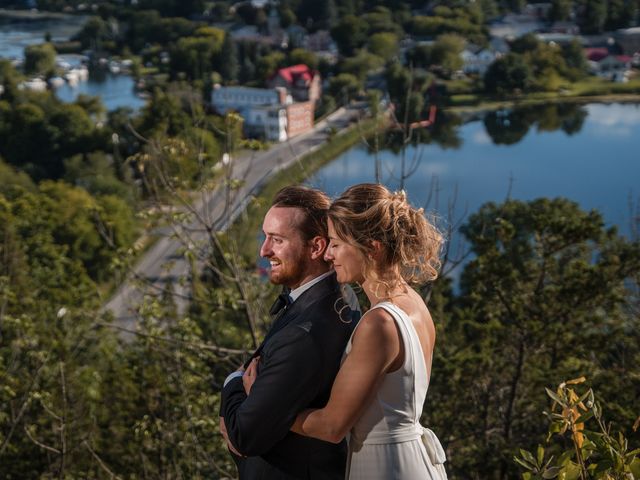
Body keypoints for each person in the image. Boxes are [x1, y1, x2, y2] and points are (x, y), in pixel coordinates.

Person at [244, 183, 448, 479]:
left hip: (383, 466)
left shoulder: (380, 324)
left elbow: (331, 427)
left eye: (337, 244)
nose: (328, 255)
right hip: (413, 458)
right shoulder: (413, 303)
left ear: (372, 249)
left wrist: (264, 403)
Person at [219, 185, 359, 479]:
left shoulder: (304, 334)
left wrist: (232, 382)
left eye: (277, 239)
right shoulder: (341, 297)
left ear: (316, 247)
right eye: (264, 237)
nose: (264, 250)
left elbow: (243, 435)